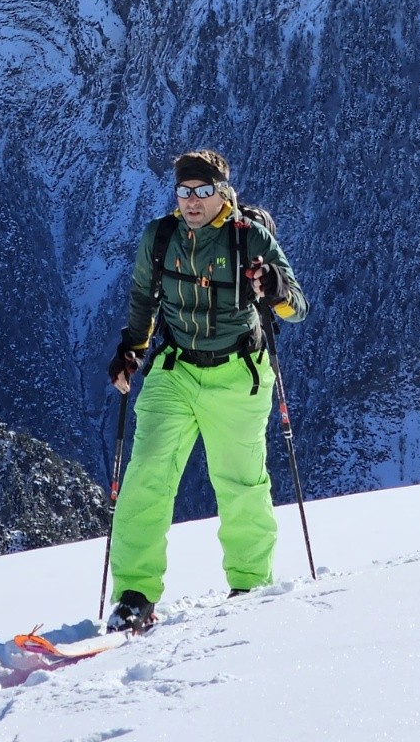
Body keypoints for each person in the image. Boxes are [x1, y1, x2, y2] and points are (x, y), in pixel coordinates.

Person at [105, 147, 308, 632]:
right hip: (175, 371)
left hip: (239, 374)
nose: (192, 201)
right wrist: (130, 349)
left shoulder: (250, 238)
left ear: (222, 192)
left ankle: (250, 584)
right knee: (146, 474)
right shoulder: (160, 238)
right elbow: (142, 298)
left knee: (241, 484)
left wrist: (276, 288)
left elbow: (297, 307)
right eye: (184, 191)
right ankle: (135, 594)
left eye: (203, 191)